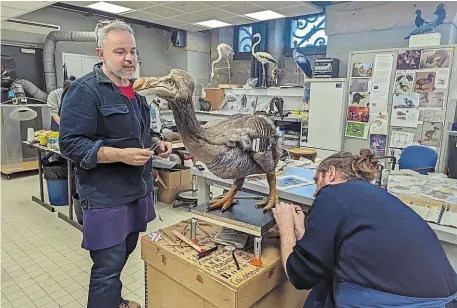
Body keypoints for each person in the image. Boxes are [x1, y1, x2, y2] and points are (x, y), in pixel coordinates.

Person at [59, 19, 172, 308]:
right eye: (120, 51)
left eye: (132, 51)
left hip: (137, 191)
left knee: (122, 256)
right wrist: (119, 154)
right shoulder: (84, 91)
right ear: (101, 54)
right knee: (106, 270)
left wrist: (156, 142)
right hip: (106, 198)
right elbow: (70, 144)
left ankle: (114, 302)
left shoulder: (134, 90)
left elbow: (141, 131)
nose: (130, 58)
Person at [273, 149, 457, 308]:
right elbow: (334, 252)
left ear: (330, 173)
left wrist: (286, 228)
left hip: (410, 302)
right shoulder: (374, 196)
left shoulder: (332, 194)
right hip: (444, 296)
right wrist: (303, 233)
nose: (315, 192)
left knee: (322, 290)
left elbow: (300, 275)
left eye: (317, 181)